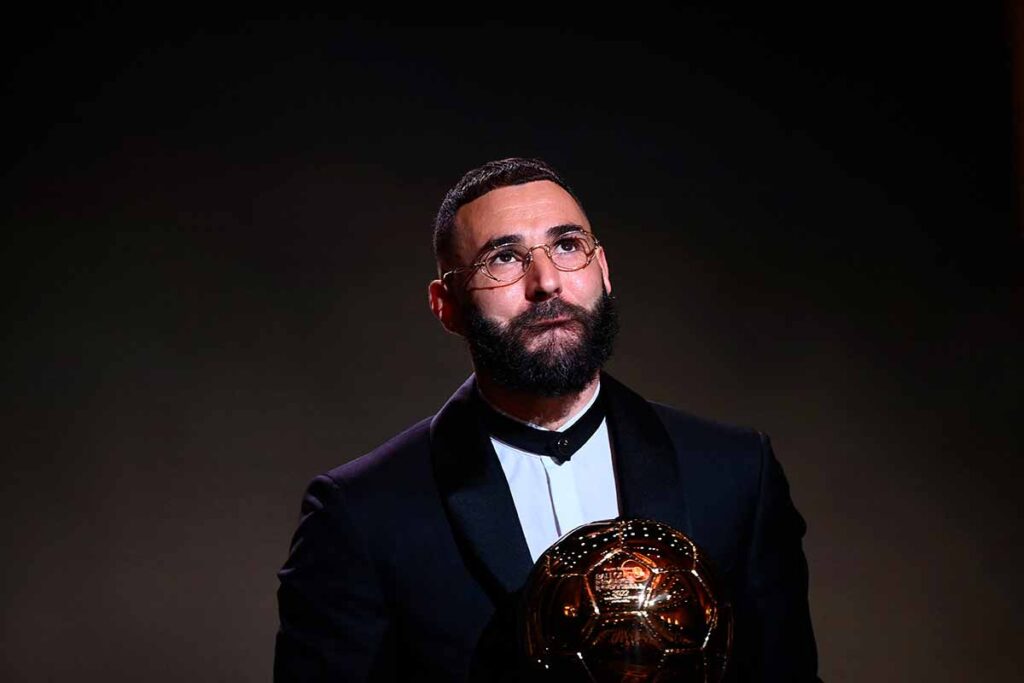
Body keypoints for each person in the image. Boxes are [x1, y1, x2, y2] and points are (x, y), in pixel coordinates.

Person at [274, 157, 820, 681]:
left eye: (567, 245)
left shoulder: (737, 473)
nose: (547, 282)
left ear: (603, 269)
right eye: (504, 258)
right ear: (447, 305)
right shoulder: (361, 513)